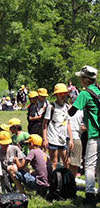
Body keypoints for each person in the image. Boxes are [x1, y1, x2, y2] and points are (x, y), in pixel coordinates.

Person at [68, 65, 100, 205]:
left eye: (81, 78)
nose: (80, 80)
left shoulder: (85, 93)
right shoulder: (98, 90)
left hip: (94, 134)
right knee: (99, 166)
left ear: (86, 80)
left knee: (89, 166)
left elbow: (72, 112)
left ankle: (90, 195)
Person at [42, 83, 74, 170]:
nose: (63, 95)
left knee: (66, 162)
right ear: (56, 95)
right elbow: (45, 124)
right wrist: (45, 139)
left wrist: (71, 139)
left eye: (64, 93)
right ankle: (54, 181)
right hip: (53, 138)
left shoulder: (67, 106)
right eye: (60, 93)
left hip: (63, 138)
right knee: (54, 162)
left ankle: (65, 181)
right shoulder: (51, 107)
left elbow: (68, 124)